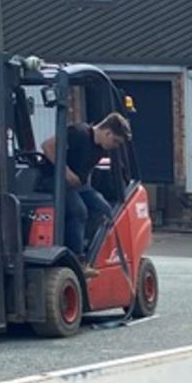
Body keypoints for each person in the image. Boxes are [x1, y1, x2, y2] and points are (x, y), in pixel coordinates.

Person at [42, 112, 132, 268]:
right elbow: (47, 146)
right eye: (115, 141)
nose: (115, 146)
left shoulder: (100, 148)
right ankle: (77, 259)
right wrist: (67, 173)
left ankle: (86, 247)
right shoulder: (78, 132)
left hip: (78, 186)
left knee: (103, 208)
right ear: (107, 132)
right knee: (79, 210)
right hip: (55, 181)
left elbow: (87, 169)